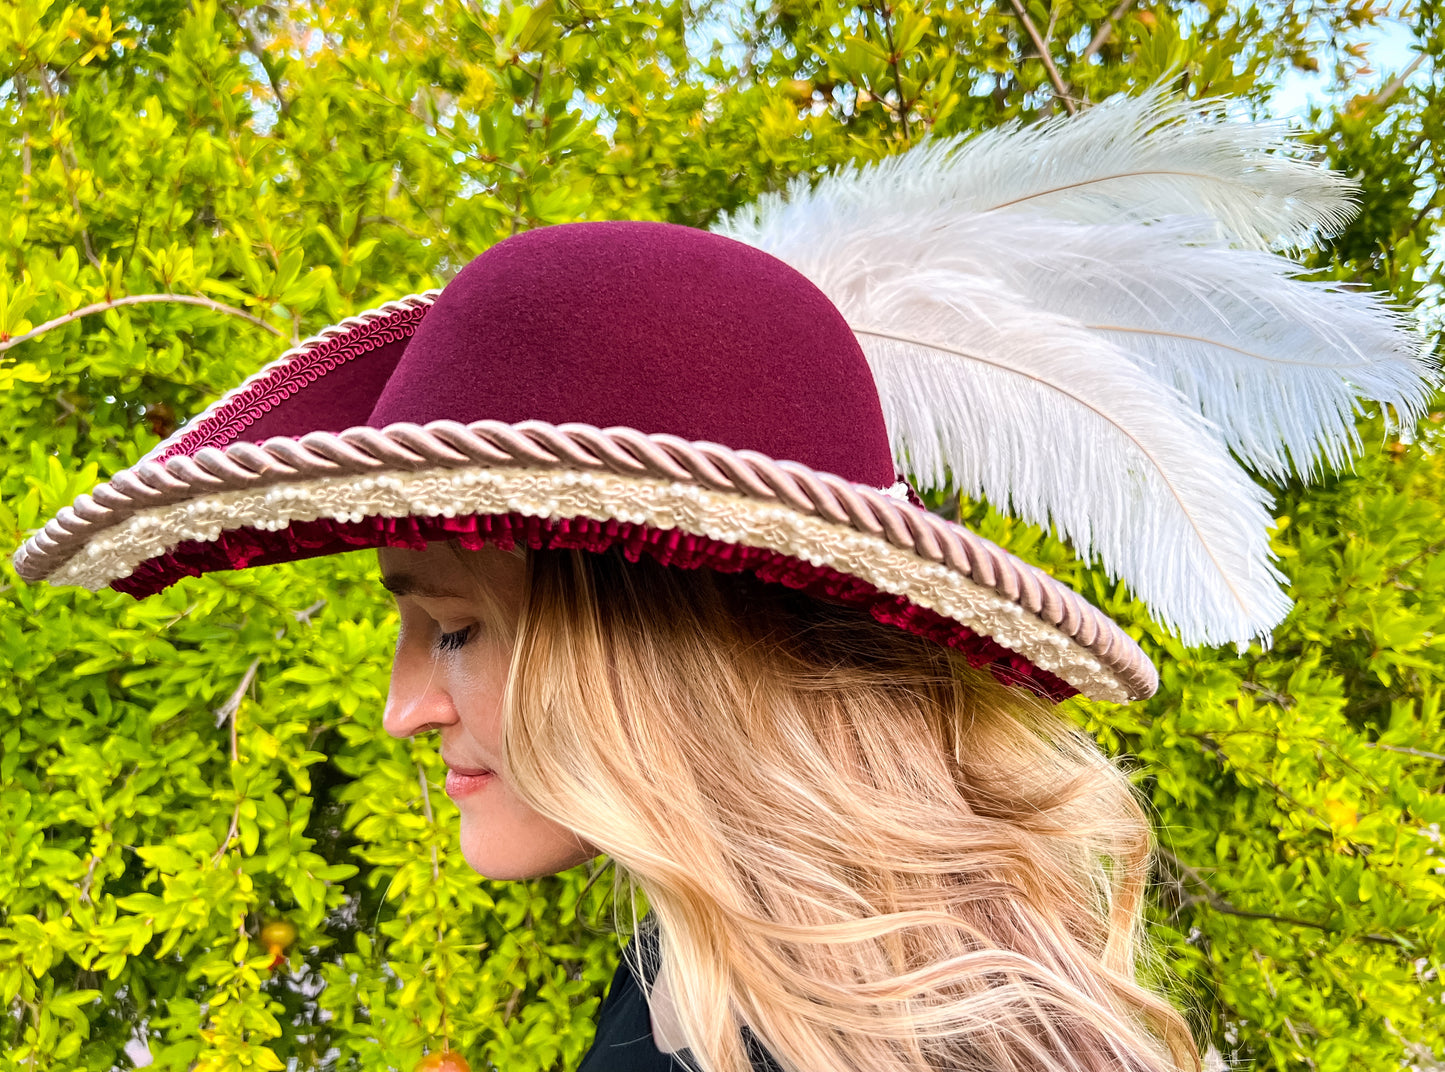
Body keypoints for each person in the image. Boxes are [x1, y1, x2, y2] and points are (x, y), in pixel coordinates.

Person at [15, 92, 1433, 1072]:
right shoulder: (949, 998)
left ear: (655, 643)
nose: (402, 711)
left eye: (450, 628)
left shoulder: (697, 1036)